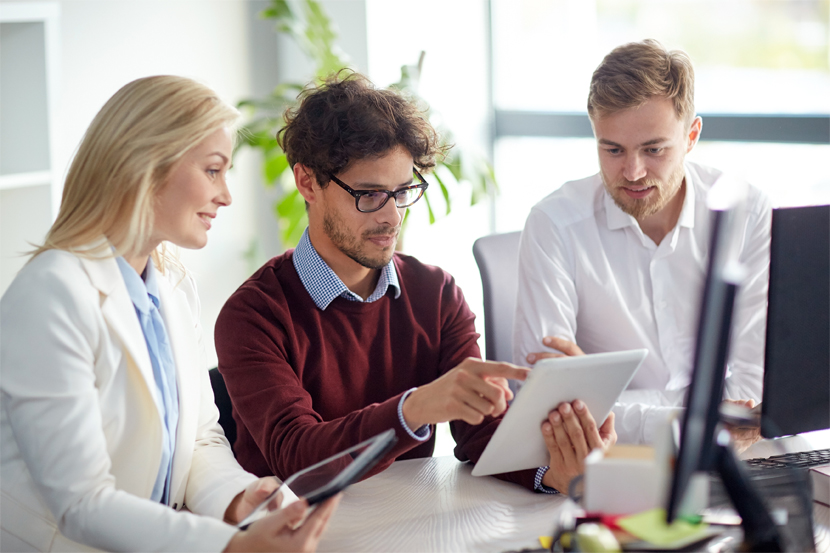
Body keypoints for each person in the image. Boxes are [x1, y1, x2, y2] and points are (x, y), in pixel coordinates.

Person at [215, 71, 616, 495]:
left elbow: (482, 435)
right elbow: (297, 458)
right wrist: (415, 408)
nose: (391, 217)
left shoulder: (436, 294)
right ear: (307, 182)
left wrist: (555, 469)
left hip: (406, 523)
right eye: (368, 195)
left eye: (403, 191)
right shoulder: (253, 316)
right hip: (293, 533)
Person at [0, 75, 338, 552]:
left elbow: (199, 438)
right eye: (213, 170)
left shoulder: (171, 286)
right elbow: (81, 503)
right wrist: (231, 546)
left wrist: (242, 499)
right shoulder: (51, 294)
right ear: (147, 166)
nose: (226, 196)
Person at [513, 39, 770, 446]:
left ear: (691, 136)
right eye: (612, 149)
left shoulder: (747, 211)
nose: (632, 171)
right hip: (614, 462)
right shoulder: (554, 224)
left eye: (654, 149)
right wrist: (698, 425)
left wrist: (601, 400)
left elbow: (754, 388)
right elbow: (548, 402)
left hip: (732, 454)